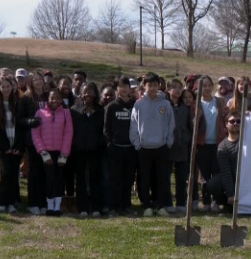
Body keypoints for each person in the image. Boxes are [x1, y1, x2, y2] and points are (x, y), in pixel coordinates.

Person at [0, 76, 40, 213]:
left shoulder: (19, 103)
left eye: (8, 86)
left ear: (12, 87)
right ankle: (2, 203)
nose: (6, 89)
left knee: (13, 174)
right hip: (3, 146)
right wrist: (4, 148)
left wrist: (18, 147)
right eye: (3, 87)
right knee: (5, 173)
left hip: (16, 145)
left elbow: (22, 127)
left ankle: (11, 203)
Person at [130, 73, 175, 217]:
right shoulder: (138, 104)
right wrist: (138, 144)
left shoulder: (165, 104)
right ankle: (147, 206)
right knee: (144, 178)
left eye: (155, 85)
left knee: (161, 178)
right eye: (150, 85)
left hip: (161, 147)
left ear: (159, 86)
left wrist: (167, 142)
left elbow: (170, 125)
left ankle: (160, 205)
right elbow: (133, 126)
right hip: (143, 148)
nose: (153, 88)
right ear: (144, 86)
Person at [33, 88, 73, 216]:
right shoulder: (39, 113)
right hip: (46, 153)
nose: (54, 100)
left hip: (60, 153)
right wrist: (43, 152)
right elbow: (35, 134)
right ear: (48, 100)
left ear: (61, 99)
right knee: (49, 179)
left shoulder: (66, 113)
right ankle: (49, 206)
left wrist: (64, 154)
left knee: (59, 179)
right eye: (52, 98)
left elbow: (68, 133)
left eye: (57, 98)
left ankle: (57, 207)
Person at [69, 82, 106, 217]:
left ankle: (96, 207)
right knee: (80, 180)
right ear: (80, 94)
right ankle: (82, 208)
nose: (87, 94)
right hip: (79, 151)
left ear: (95, 93)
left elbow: (105, 131)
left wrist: (99, 143)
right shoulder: (74, 110)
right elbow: (70, 131)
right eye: (85, 92)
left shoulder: (101, 110)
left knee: (95, 179)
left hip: (96, 150)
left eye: (90, 91)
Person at [105, 77, 137, 215]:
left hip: (131, 148)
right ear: (116, 88)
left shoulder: (135, 105)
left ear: (130, 88)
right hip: (115, 148)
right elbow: (106, 128)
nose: (124, 89)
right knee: (115, 179)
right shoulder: (111, 106)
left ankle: (126, 206)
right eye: (121, 86)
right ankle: (114, 207)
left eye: (126, 86)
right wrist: (110, 143)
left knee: (128, 179)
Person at [196, 76, 228, 210]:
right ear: (199, 88)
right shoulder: (197, 103)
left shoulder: (220, 102)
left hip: (217, 143)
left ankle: (216, 201)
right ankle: (206, 201)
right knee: (204, 175)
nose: (207, 88)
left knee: (216, 173)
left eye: (209, 85)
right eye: (204, 86)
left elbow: (227, 117)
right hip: (202, 144)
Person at [204, 112, 243, 213]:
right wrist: (230, 194)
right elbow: (226, 172)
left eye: (238, 121)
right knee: (213, 183)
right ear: (226, 124)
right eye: (232, 121)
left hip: (249, 180)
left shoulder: (248, 140)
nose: (235, 123)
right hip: (233, 179)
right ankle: (228, 205)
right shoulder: (223, 147)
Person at [168, 79, 196, 213]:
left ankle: (180, 203)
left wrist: (188, 138)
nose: (178, 90)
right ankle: (167, 203)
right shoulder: (165, 105)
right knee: (165, 177)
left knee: (181, 178)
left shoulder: (186, 108)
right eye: (174, 87)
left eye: (180, 87)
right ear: (168, 90)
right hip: (167, 147)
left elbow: (192, 126)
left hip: (183, 147)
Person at [23, 76, 48, 215]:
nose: (38, 82)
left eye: (40, 79)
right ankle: (32, 203)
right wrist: (32, 121)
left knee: (45, 172)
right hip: (32, 140)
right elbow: (20, 119)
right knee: (33, 172)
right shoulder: (26, 98)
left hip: (48, 139)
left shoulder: (48, 96)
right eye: (35, 80)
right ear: (31, 83)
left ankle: (43, 202)